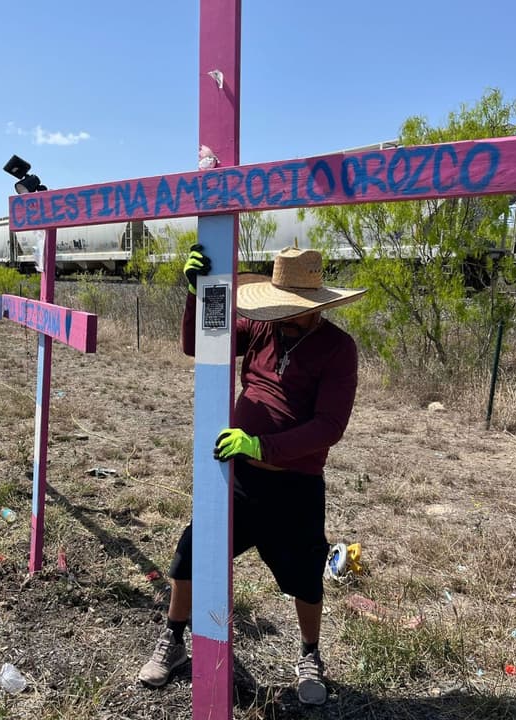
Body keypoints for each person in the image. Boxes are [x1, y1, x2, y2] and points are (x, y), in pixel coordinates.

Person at [136, 244, 366, 706]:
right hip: (238, 480)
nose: (281, 316)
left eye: (291, 310)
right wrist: (198, 295)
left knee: (304, 575)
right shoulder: (261, 326)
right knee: (189, 555)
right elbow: (198, 344)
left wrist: (261, 444)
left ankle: (309, 656)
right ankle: (174, 641)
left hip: (296, 484)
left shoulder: (338, 349)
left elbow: (329, 427)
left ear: (315, 306)